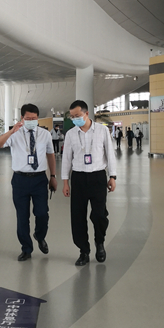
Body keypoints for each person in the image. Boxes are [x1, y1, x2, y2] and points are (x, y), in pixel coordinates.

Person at [0, 104, 57, 261]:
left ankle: (39, 235)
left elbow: (50, 155)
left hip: (39, 179)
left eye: (34, 118)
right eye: (28, 118)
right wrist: (11, 131)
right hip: (20, 180)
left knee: (42, 213)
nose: (31, 121)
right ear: (22, 118)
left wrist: (53, 176)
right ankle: (26, 248)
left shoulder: (45, 134)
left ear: (38, 118)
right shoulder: (14, 134)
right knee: (22, 217)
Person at [62, 100, 117, 267]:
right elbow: (66, 159)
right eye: (72, 117)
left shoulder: (102, 130)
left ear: (86, 113)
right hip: (78, 178)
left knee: (100, 215)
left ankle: (99, 243)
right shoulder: (71, 134)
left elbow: (110, 153)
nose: (75, 119)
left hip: (98, 177)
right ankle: (83, 251)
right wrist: (65, 182)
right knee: (78, 217)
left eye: (77, 115)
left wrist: (112, 176)